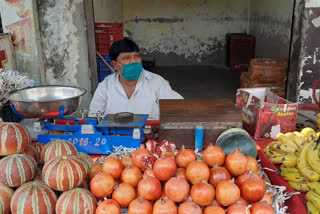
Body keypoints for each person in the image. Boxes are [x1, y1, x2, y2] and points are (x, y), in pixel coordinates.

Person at [89, 39, 183, 119]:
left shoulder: (157, 83)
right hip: (115, 136)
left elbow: (179, 108)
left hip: (149, 137)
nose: (133, 61)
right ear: (115, 65)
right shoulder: (105, 87)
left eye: (136, 56)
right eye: (127, 58)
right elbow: (94, 117)